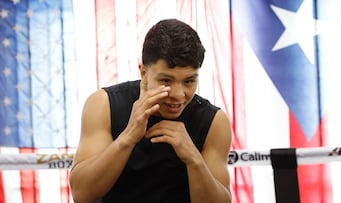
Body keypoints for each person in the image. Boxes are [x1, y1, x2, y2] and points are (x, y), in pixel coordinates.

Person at [69, 18, 232, 203]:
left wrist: (194, 159)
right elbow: (82, 194)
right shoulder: (104, 104)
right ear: (144, 73)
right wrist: (128, 138)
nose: (178, 95)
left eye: (189, 81)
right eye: (166, 81)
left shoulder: (213, 121)